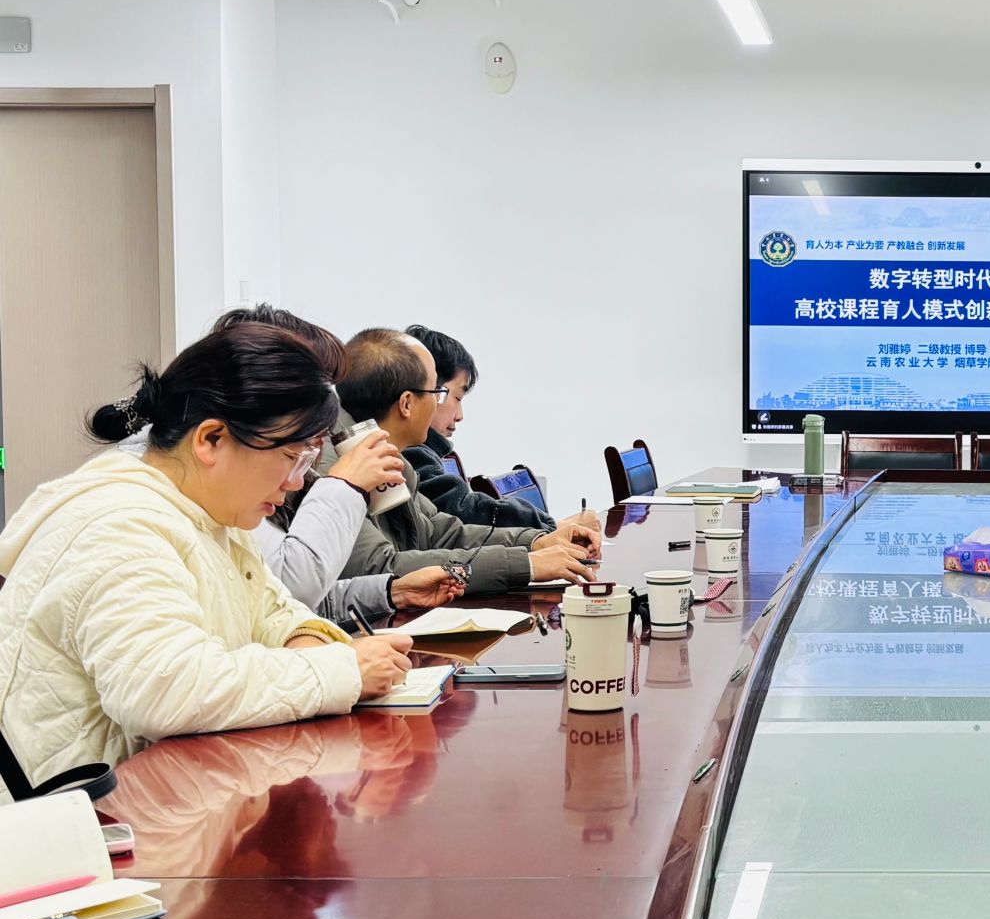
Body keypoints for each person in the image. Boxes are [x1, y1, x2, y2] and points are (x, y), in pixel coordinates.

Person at [0, 324, 415, 787]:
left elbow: (277, 613)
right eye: (293, 457)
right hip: (84, 813)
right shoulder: (119, 525)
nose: (297, 482)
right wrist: (340, 669)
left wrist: (304, 645)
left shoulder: (211, 515)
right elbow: (164, 690)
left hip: (162, 794)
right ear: (212, 439)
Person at [178, 306, 464, 624]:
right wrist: (344, 487)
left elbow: (272, 602)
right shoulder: (153, 517)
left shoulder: (223, 486)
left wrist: (389, 592)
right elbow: (293, 589)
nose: (296, 481)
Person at [325, 329, 599, 594]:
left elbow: (439, 533)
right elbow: (381, 569)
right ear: (407, 403)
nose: (452, 410)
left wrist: (536, 542)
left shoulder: (386, 452)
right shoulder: (334, 468)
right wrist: (524, 565)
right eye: (436, 393)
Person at [402, 325, 598, 532]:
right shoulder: (408, 453)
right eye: (457, 397)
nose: (460, 416)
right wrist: (553, 527)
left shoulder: (421, 454)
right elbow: (463, 514)